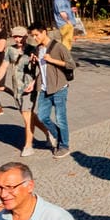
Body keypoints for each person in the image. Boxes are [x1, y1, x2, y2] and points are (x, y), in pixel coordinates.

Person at [32, 23, 75, 158]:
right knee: (42, 116)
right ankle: (60, 135)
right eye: (32, 36)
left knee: (60, 118)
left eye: (36, 35)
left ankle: (64, 145)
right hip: (45, 88)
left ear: (44, 32)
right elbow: (42, 70)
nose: (34, 38)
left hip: (59, 87)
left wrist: (52, 60)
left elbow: (71, 64)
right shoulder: (37, 49)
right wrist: (34, 61)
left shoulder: (58, 47)